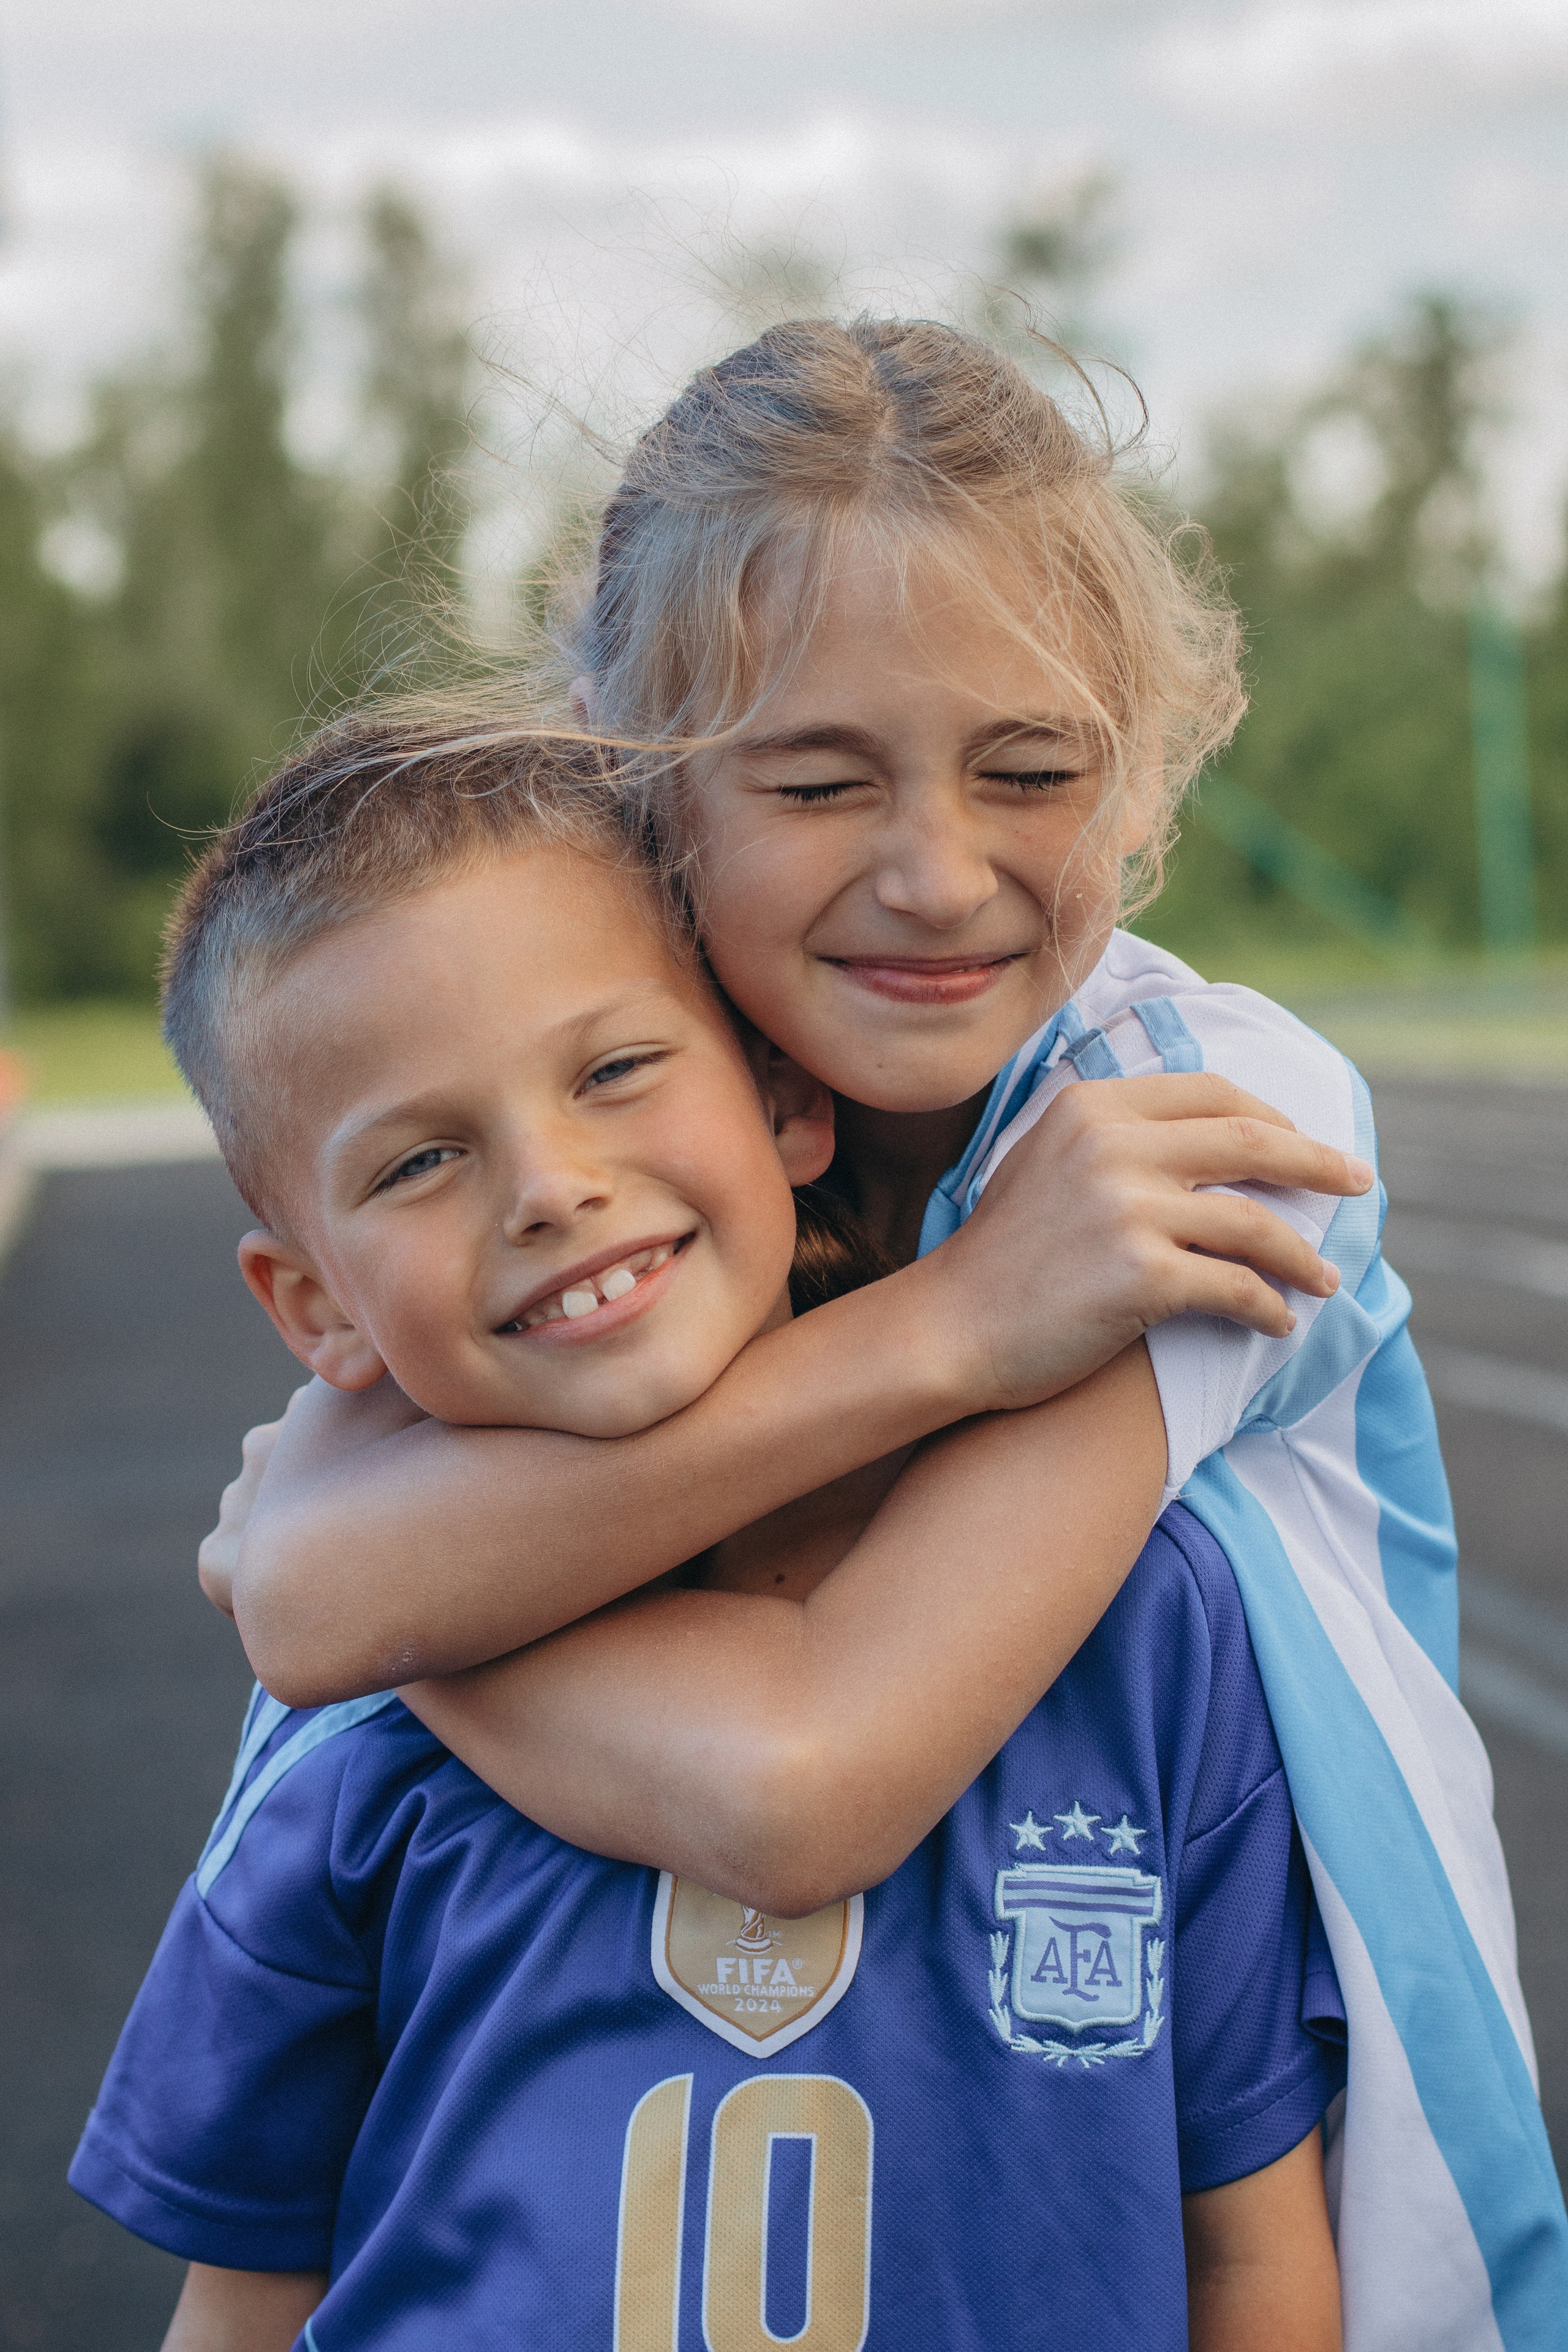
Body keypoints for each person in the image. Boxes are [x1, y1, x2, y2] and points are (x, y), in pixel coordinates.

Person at [217, 320, 1567, 2340]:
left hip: (1309, 2256)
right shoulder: (613, 1121)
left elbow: (801, 1781)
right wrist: (962, 1325)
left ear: (1145, 768)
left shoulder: (1210, 1124)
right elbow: (313, 1585)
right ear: (634, 764)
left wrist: (423, 1595)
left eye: (1031, 771)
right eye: (821, 778)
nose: (937, 876)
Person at [72, 723, 1347, 2350]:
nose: (550, 1186)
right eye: (420, 1159)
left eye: (612, 1071)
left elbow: (1249, 2245)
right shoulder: (339, 1726)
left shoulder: (1143, 1614)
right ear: (313, 1305)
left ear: (784, 1097)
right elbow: (249, 2295)